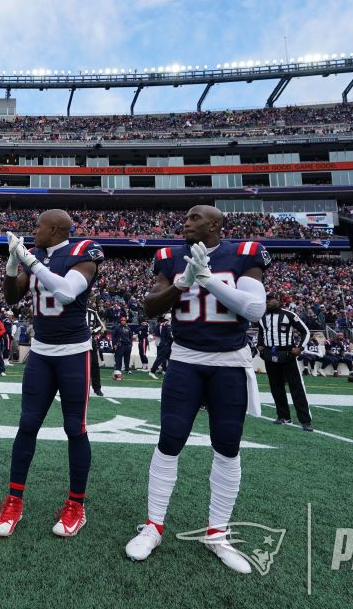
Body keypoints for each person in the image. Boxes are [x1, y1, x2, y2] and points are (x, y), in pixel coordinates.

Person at [125, 205, 269, 574]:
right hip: (186, 360)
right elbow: (150, 307)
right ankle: (154, 525)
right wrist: (182, 282)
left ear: (215, 224)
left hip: (228, 363)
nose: (184, 223)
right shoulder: (171, 257)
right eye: (185, 217)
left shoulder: (243, 254)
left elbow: (254, 309)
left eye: (193, 219)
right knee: (170, 439)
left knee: (227, 444)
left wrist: (207, 279)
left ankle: (217, 533)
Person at [0, 214, 104, 539]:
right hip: (41, 352)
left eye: (38, 226)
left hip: (72, 353)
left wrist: (29, 259)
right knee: (27, 424)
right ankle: (14, 500)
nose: (34, 232)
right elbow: (13, 297)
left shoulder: (85, 252)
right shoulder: (37, 257)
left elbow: (68, 292)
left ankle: (76, 505)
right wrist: (14, 265)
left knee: (75, 427)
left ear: (55, 230)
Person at [257, 294, 313, 431]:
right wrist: (260, 345)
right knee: (276, 387)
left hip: (287, 354)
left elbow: (305, 331)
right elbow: (261, 332)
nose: (268, 302)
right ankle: (283, 416)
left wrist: (300, 348)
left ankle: (305, 420)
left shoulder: (289, 315)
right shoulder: (261, 317)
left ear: (278, 300)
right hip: (270, 355)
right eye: (266, 300)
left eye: (271, 299)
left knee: (296, 387)